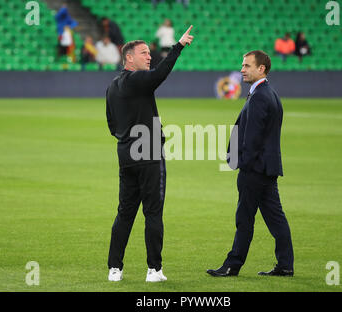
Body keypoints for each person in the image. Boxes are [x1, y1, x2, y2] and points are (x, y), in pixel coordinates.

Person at [105, 26, 194, 282]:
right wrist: (178, 46)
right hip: (149, 152)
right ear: (129, 58)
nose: (149, 56)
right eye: (144, 53)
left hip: (126, 154)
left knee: (125, 212)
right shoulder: (137, 80)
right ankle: (154, 270)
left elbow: (112, 124)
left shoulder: (112, 87)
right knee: (153, 212)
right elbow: (161, 74)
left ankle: (115, 268)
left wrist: (127, 139)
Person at [207, 50, 294, 278]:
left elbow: (252, 138)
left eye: (247, 66)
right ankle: (285, 264)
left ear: (261, 69)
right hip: (268, 168)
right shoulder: (270, 93)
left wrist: (242, 163)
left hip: (254, 169)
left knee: (244, 218)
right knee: (276, 219)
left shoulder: (260, 97)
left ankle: (232, 266)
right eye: (242, 65)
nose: (242, 69)